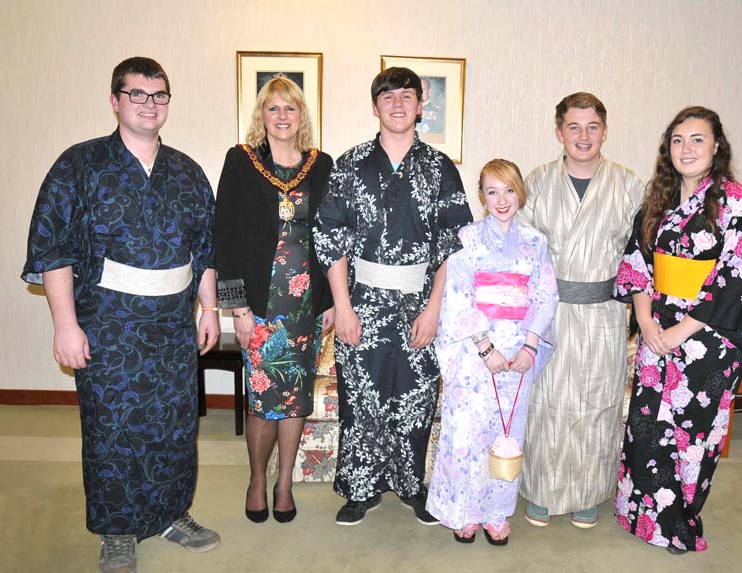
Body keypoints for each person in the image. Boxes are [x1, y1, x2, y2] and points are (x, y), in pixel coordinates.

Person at [21, 57, 220, 573]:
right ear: (115, 101)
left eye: (159, 95)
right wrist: (65, 325)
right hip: (108, 323)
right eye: (138, 94)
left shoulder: (188, 172)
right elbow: (53, 250)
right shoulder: (78, 165)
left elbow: (207, 251)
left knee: (175, 425)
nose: (149, 105)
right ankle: (116, 528)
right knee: (112, 427)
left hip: (174, 325)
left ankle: (173, 513)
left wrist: (210, 309)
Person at [313, 67, 473, 527]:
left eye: (408, 96)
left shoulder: (440, 168)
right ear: (375, 106)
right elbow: (330, 238)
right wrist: (342, 306)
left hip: (420, 301)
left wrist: (435, 309)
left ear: (421, 105)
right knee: (361, 399)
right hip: (361, 298)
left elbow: (452, 245)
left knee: (415, 399)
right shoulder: (351, 163)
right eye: (388, 96)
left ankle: (411, 486)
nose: (398, 104)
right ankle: (360, 491)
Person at [613, 106, 742, 553]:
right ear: (668, 148)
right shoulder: (658, 199)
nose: (687, 149)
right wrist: (645, 322)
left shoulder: (736, 201)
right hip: (655, 330)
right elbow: (637, 263)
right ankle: (640, 514)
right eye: (678, 140)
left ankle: (679, 522)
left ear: (717, 146)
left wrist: (682, 330)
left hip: (708, 337)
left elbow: (739, 274)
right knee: (646, 424)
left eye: (697, 139)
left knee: (691, 430)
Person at [516, 92, 644, 528]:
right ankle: (541, 491)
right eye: (574, 127)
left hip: (604, 313)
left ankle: (588, 493)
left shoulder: (629, 185)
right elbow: (522, 254)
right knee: (546, 401)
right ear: (559, 132)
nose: (583, 136)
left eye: (592, 127)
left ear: (605, 131)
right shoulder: (535, 182)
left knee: (596, 402)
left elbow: (641, 254)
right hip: (549, 313)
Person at [214, 77, 334, 524]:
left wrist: (329, 302)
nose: (282, 116)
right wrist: (237, 309)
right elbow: (223, 236)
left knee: (296, 399)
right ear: (261, 116)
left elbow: (332, 237)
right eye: (273, 108)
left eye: (291, 108)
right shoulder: (241, 162)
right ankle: (256, 480)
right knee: (264, 400)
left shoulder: (321, 166)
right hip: (261, 307)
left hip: (305, 304)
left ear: (302, 116)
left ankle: (284, 483)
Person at [426, 159, 558, 545]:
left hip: (519, 350)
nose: (502, 200)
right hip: (473, 351)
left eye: (509, 190)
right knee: (467, 433)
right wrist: (485, 348)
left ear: (521, 192)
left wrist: (531, 346)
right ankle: (464, 511)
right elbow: (458, 297)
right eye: (492, 191)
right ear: (481, 197)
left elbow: (546, 295)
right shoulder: (466, 239)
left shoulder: (536, 242)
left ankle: (497, 513)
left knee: (507, 433)